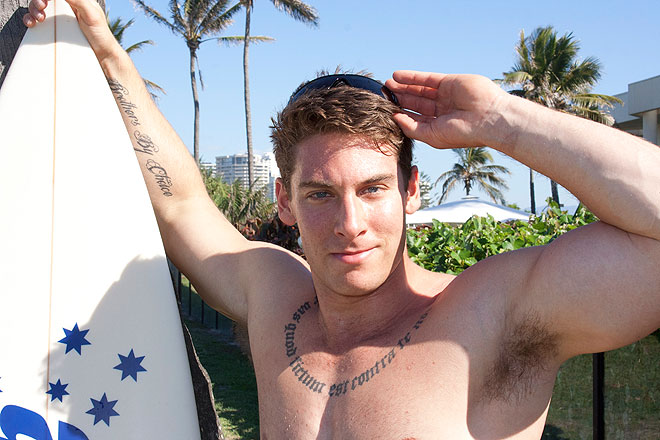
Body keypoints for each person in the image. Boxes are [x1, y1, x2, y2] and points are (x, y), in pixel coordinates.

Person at [25, 1, 660, 438]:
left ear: (411, 191)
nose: (349, 222)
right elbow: (180, 202)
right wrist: (104, 47)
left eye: (373, 189)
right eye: (321, 194)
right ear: (285, 201)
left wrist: (506, 121)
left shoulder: (495, 315)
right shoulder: (275, 296)